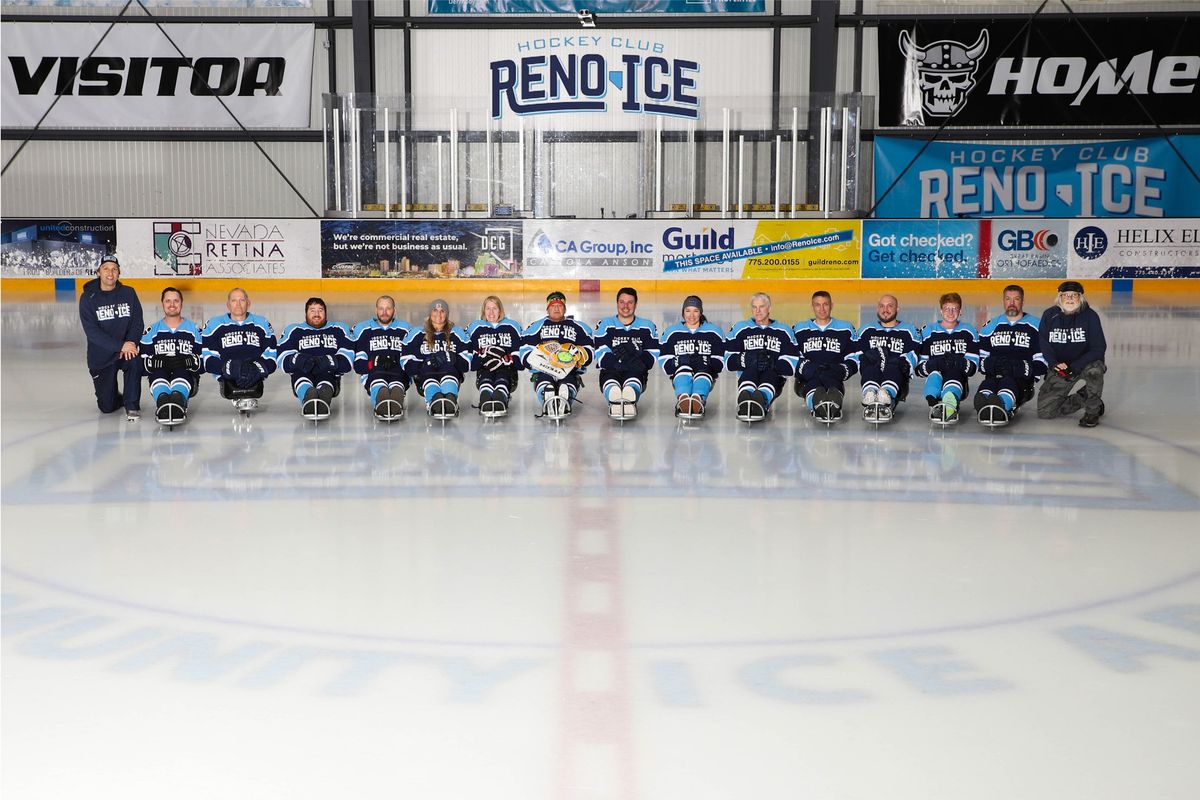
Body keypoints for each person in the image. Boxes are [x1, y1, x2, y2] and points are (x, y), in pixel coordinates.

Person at [78, 255, 143, 420]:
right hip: (102, 356)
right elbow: (92, 333)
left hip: (125, 351)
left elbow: (137, 323)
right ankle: (115, 395)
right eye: (106, 269)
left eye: (114, 269)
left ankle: (132, 405)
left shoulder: (129, 293)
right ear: (98, 272)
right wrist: (120, 346)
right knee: (107, 407)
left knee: (134, 360)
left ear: (119, 273)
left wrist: (131, 343)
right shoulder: (88, 298)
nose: (110, 273)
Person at [1037, 280, 1108, 428]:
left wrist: (1075, 366)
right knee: (1045, 412)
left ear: (1080, 297)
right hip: (1061, 367)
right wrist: (1054, 364)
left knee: (1095, 371)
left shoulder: (1090, 316)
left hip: (1085, 364)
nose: (1069, 299)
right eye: (1065, 295)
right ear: (1059, 297)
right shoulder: (1049, 315)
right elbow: (1044, 343)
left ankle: (1092, 411)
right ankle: (1085, 396)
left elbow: (1098, 348)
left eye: (1074, 295)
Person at [975, 284, 1046, 427]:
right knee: (986, 386)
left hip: (1020, 380)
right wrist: (990, 364)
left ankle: (1001, 405)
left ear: (1022, 301)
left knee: (1009, 384)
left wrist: (1022, 367)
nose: (1012, 303)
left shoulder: (1037, 326)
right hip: (995, 376)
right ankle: (985, 404)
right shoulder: (990, 326)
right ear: (1003, 301)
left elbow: (1043, 364)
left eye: (1016, 299)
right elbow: (980, 359)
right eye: (1008, 299)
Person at [276, 297, 355, 420]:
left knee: (327, 374)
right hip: (303, 370)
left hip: (328, 371)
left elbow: (348, 356)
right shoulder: (294, 330)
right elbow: (282, 357)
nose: (316, 314)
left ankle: (324, 395)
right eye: (312, 310)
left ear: (326, 313)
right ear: (305, 313)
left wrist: (329, 360)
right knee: (300, 373)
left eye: (320, 310)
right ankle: (308, 396)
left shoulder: (339, 329)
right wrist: (298, 359)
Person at [520, 291, 595, 420]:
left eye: (560, 306)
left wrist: (578, 356)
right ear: (547, 309)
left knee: (568, 381)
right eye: (553, 305)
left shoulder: (578, 327)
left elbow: (589, 348)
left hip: (569, 367)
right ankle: (547, 396)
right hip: (545, 367)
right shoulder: (537, 326)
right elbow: (524, 348)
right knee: (544, 380)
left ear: (565, 309)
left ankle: (565, 397)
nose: (556, 308)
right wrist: (535, 362)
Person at [201, 287, 277, 412]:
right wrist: (228, 368)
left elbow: (272, 353)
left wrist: (258, 368)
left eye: (242, 300)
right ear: (228, 305)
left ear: (248, 303)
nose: (238, 304)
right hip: (228, 374)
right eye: (234, 301)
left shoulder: (261, 323)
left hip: (254, 373)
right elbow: (207, 358)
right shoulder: (214, 324)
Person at [724, 292, 798, 422]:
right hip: (748, 373)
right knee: (750, 369)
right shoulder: (740, 328)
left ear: (769, 308)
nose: (757, 311)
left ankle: (761, 400)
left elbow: (792, 364)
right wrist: (746, 359)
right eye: (754, 307)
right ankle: (745, 399)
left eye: (762, 307)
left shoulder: (784, 331)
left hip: (774, 376)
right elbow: (728, 360)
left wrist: (773, 362)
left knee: (770, 374)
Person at [592, 287, 660, 420]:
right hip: (611, 369)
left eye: (630, 302)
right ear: (617, 303)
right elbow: (600, 351)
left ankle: (629, 396)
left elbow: (653, 352)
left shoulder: (647, 326)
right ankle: (614, 398)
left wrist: (640, 362)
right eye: (622, 302)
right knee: (611, 383)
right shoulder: (605, 324)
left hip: (636, 371)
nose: (625, 306)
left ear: (636, 304)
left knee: (632, 381)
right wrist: (624, 363)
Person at [139, 286, 203, 425]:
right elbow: (141, 363)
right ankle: (162, 402)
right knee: (159, 372)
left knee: (181, 371)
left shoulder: (195, 330)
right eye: (168, 301)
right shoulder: (151, 331)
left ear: (181, 303)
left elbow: (206, 361)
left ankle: (178, 401)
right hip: (159, 376)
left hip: (187, 377)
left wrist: (191, 361)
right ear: (162, 303)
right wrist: (152, 362)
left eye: (176, 301)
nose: (172, 305)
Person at [854, 294, 921, 423]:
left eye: (890, 306)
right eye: (882, 306)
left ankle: (886, 393)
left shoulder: (909, 330)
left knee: (893, 367)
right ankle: (870, 392)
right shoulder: (866, 330)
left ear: (897, 309)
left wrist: (894, 362)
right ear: (877, 308)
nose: (885, 310)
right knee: (870, 365)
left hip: (897, 379)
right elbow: (858, 356)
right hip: (871, 375)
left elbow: (912, 355)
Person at [792, 290, 858, 422]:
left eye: (825, 304)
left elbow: (854, 356)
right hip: (807, 378)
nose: (822, 309)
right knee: (813, 383)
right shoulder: (800, 328)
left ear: (831, 305)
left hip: (833, 376)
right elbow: (791, 354)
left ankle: (833, 402)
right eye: (817, 305)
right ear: (812, 306)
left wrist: (841, 370)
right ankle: (817, 404)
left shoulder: (845, 328)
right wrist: (806, 368)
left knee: (832, 381)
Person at [916, 292, 980, 425]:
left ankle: (950, 403)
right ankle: (933, 404)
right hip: (936, 377)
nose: (950, 312)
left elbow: (973, 368)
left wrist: (958, 362)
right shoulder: (928, 331)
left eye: (954, 309)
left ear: (960, 311)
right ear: (941, 311)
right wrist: (935, 364)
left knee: (953, 371)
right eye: (946, 309)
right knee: (934, 374)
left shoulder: (968, 331)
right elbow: (919, 370)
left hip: (958, 381)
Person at [402, 299, 471, 419]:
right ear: (429, 313)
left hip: (450, 373)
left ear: (447, 313)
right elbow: (406, 362)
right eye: (435, 310)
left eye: (442, 311)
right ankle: (434, 399)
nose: (438, 314)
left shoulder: (457, 333)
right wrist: (424, 364)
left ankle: (450, 398)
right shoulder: (416, 333)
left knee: (448, 367)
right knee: (429, 370)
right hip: (427, 375)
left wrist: (452, 358)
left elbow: (467, 363)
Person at [658, 295, 725, 419]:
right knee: (684, 369)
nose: (691, 315)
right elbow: (664, 361)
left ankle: (697, 398)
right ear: (683, 312)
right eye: (688, 311)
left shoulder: (714, 331)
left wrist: (706, 361)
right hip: (680, 372)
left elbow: (720, 361)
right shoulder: (672, 332)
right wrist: (678, 361)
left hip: (705, 371)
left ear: (701, 313)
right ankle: (684, 398)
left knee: (703, 372)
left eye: (695, 311)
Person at [353, 295, 411, 421]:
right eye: (381, 309)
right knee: (379, 384)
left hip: (398, 372)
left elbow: (410, 357)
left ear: (394, 310)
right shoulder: (363, 329)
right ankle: (380, 399)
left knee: (397, 386)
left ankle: (396, 398)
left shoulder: (405, 328)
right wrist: (373, 363)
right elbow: (358, 365)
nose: (384, 312)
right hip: (374, 372)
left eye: (388, 308)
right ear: (376, 310)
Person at [465, 295, 523, 418]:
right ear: (483, 311)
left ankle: (500, 396)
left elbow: (519, 354)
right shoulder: (475, 327)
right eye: (488, 309)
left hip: (506, 369)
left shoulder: (512, 326)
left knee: (502, 378)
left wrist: (509, 359)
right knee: (486, 381)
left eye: (495, 308)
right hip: (484, 368)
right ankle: (485, 397)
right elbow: (471, 358)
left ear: (500, 310)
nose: (491, 312)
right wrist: (481, 357)